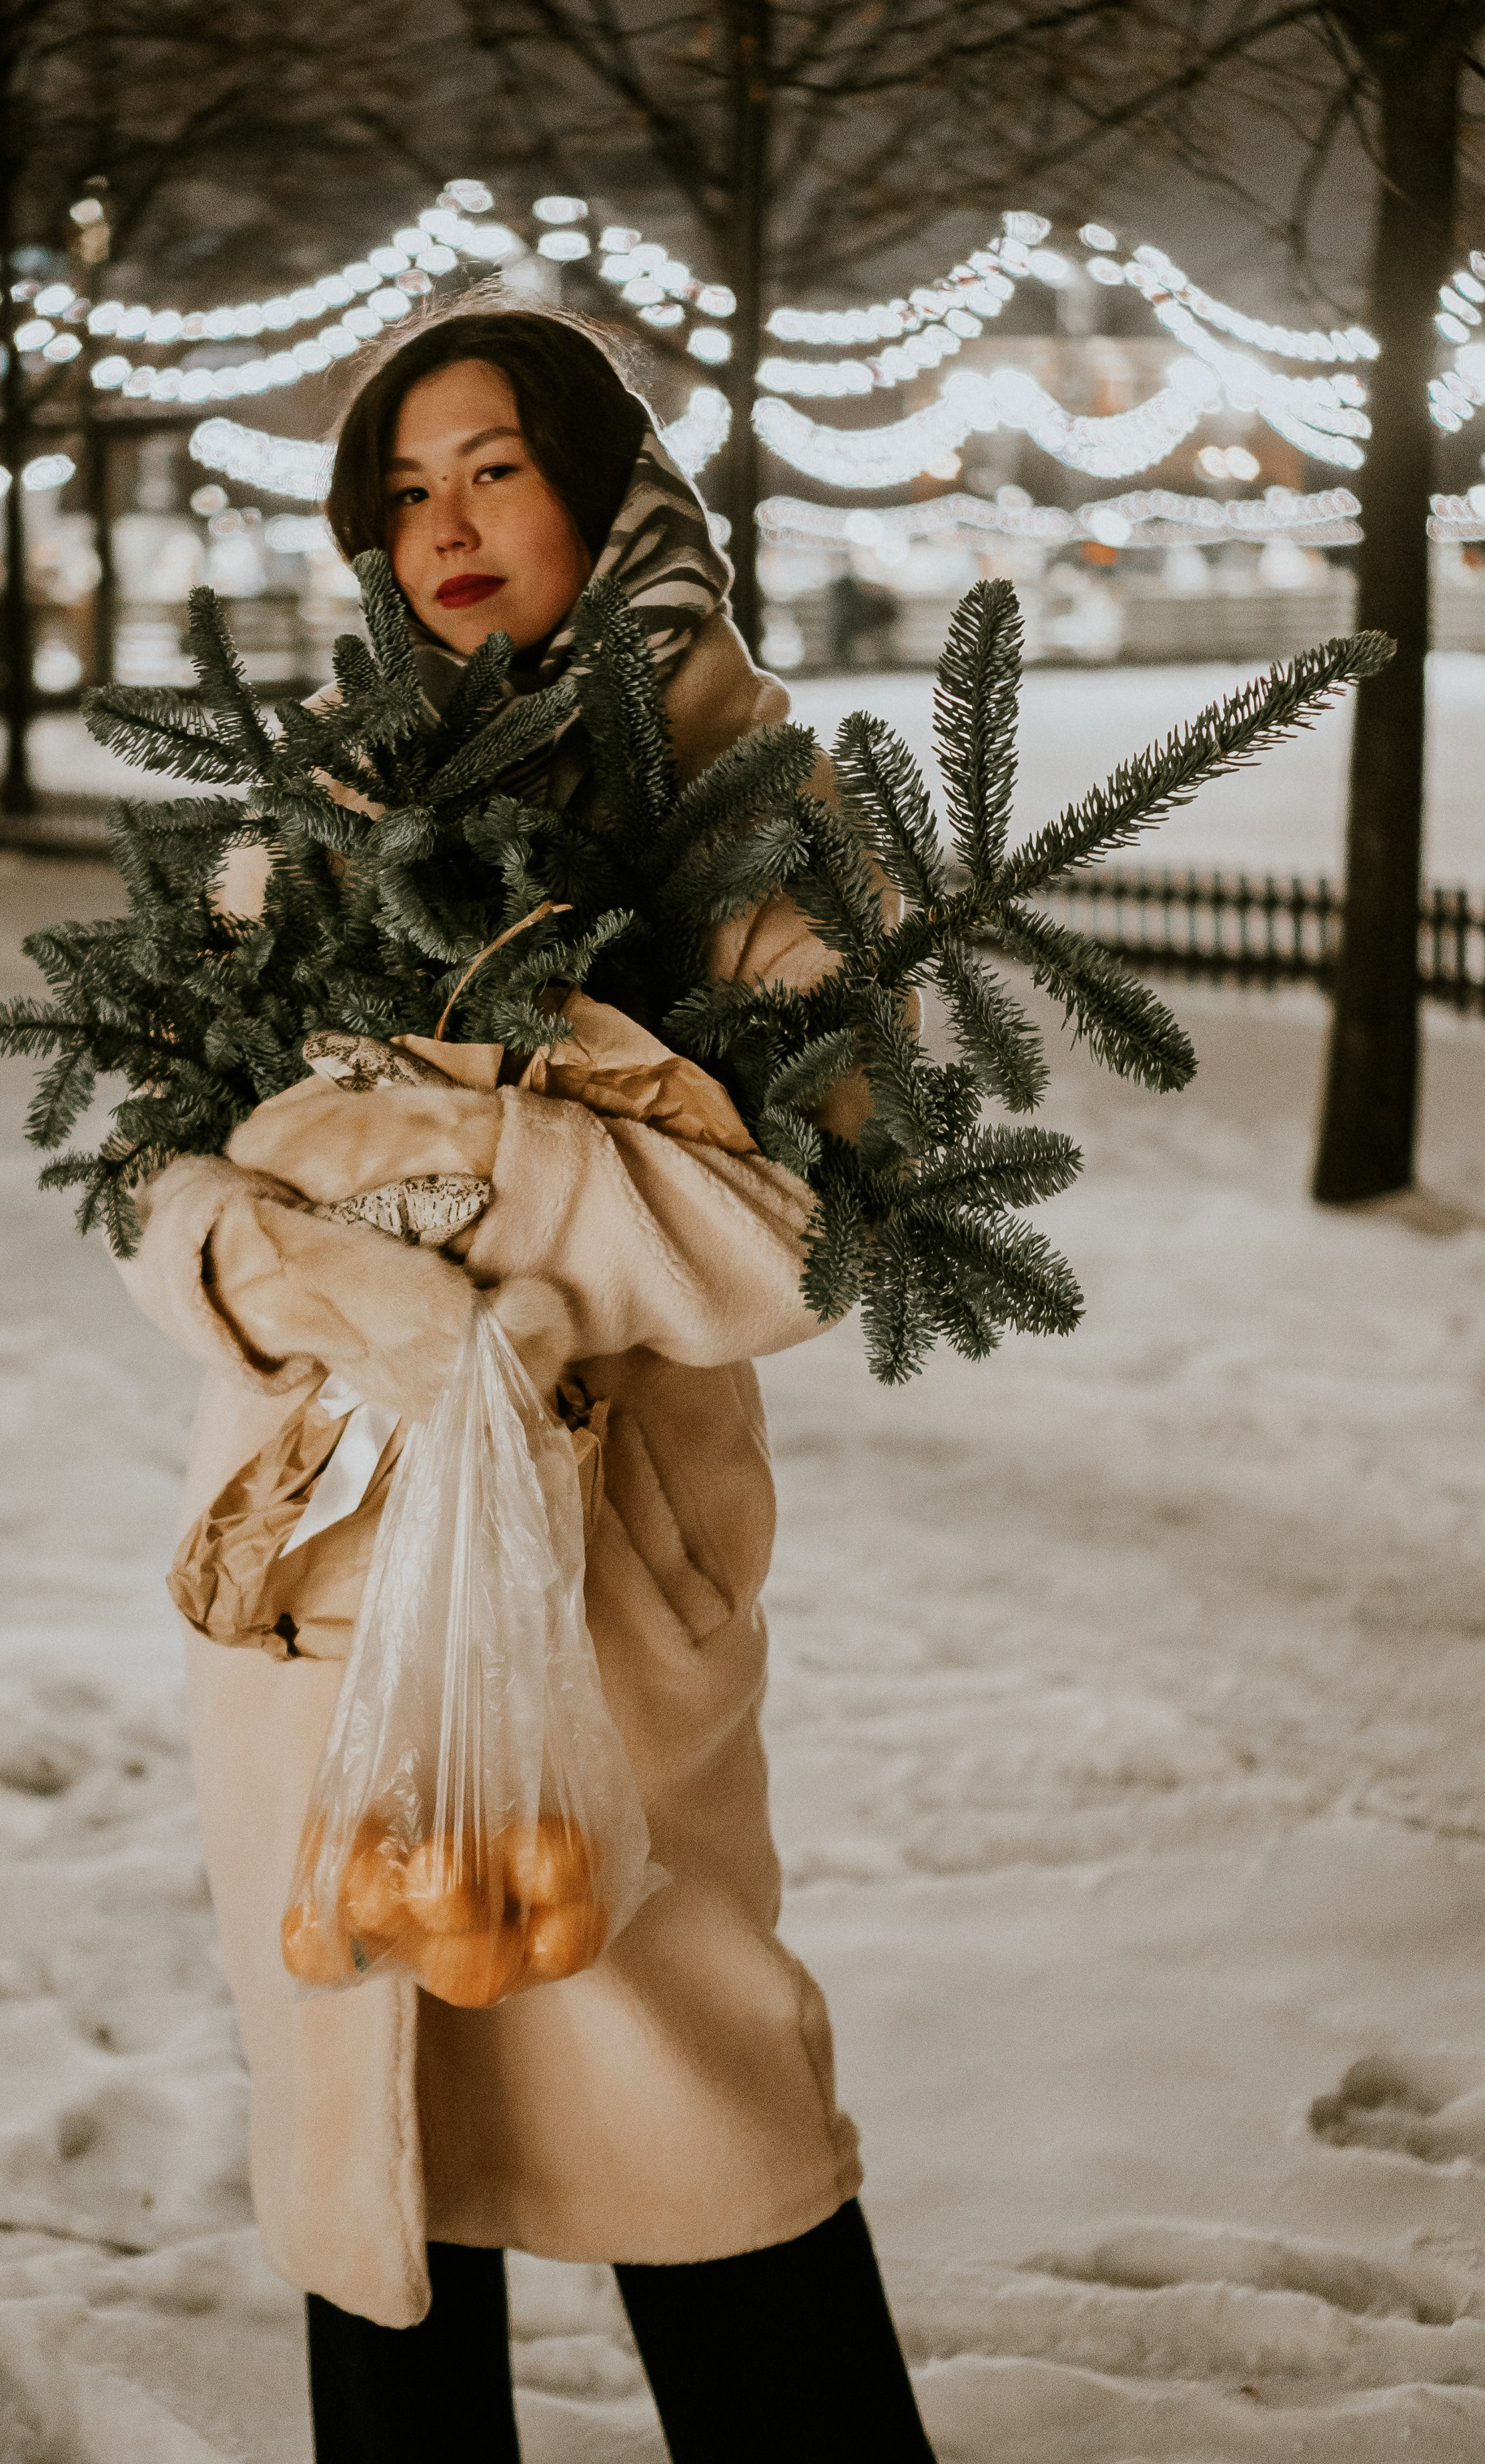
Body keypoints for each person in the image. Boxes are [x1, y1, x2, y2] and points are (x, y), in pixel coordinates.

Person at [121, 302, 937, 2463]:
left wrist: (474, 1152)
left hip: (590, 1600)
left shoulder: (753, 795)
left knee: (707, 2139)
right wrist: (259, 1250)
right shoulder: (319, 807)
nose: (444, 526)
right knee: (375, 2198)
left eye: (492, 466)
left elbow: (812, 1220)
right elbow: (160, 1163)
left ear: (600, 478)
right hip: (314, 1592)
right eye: (400, 489)